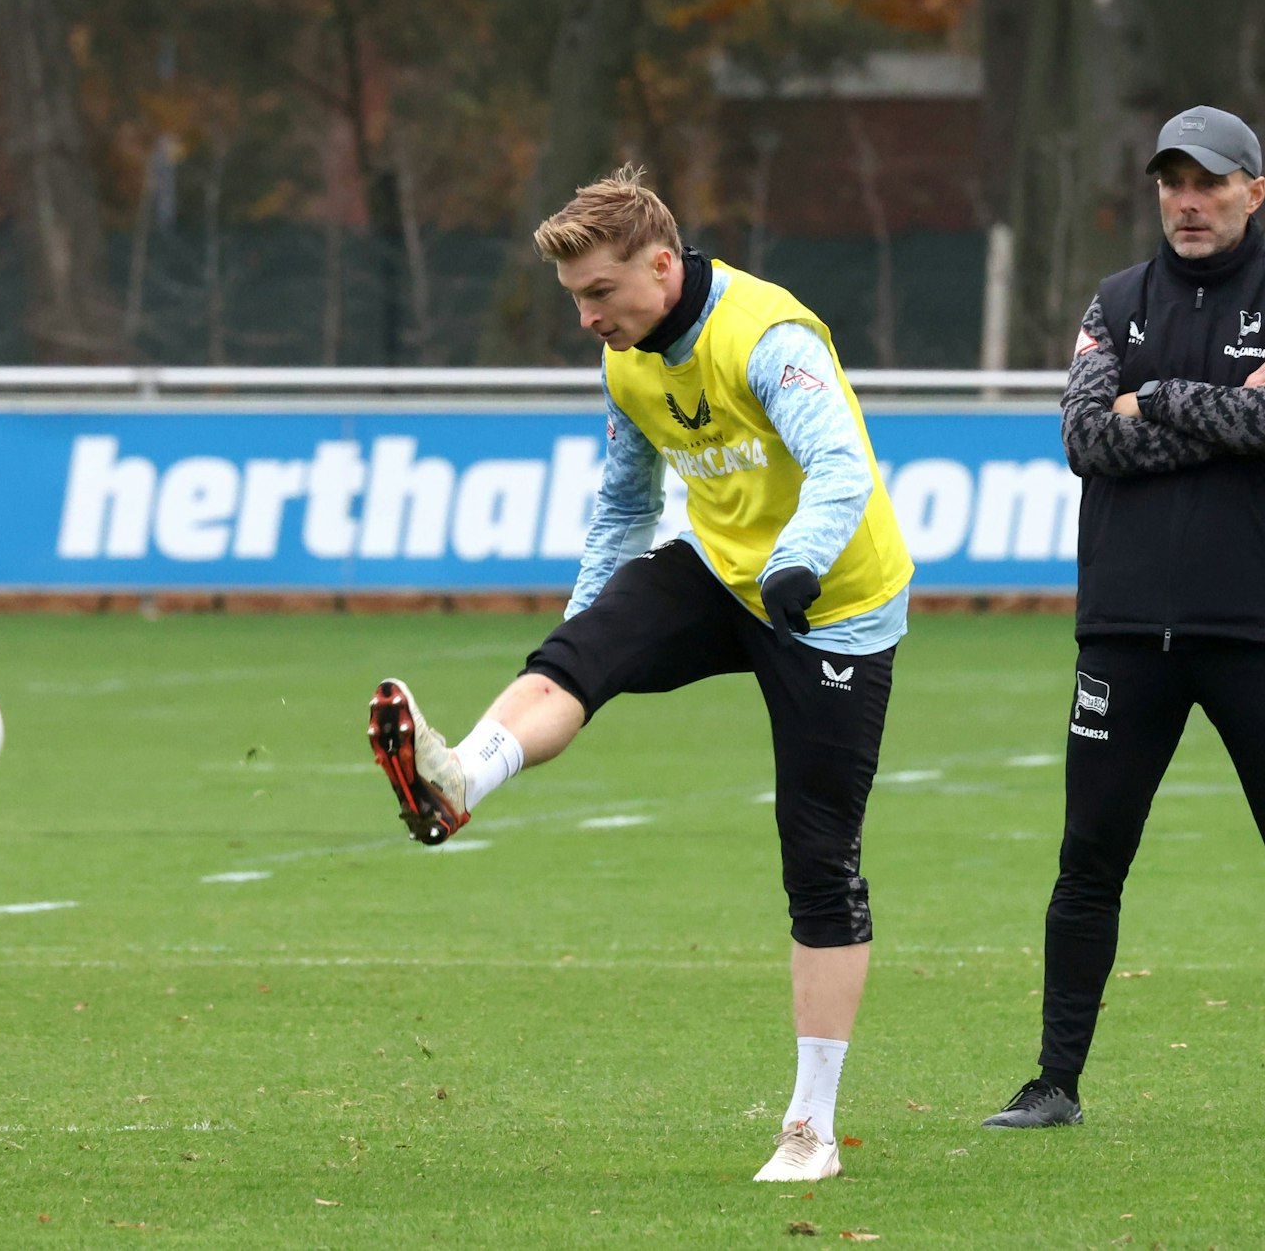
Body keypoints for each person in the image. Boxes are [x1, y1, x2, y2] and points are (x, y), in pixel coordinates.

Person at [365, 165, 914, 1183]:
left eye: (599, 294)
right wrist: (589, 636)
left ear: (662, 266)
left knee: (818, 854)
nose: (585, 319)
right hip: (719, 571)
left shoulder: (769, 336)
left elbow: (841, 467)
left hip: (833, 603)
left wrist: (797, 562)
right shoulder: (626, 365)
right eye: (574, 299)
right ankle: (455, 779)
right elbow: (623, 511)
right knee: (574, 656)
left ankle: (810, 1126)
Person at [981, 106, 1265, 1133]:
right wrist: (1208, 407)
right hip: (1123, 631)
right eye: (1171, 181)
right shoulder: (1113, 300)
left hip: (1256, 630)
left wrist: (1153, 398)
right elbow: (1086, 435)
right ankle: (1053, 1081)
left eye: (1208, 182)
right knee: (1088, 859)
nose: (1186, 200)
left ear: (1251, 191)